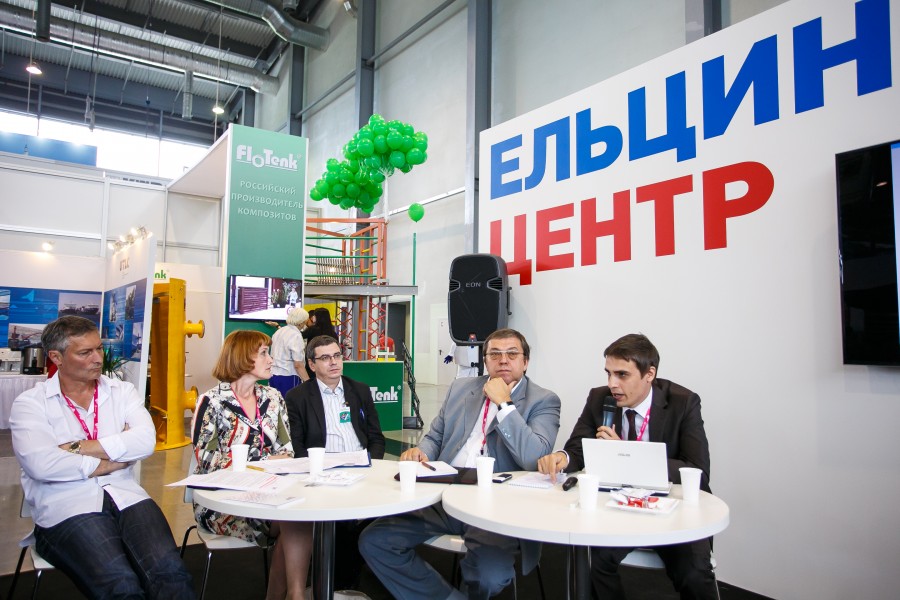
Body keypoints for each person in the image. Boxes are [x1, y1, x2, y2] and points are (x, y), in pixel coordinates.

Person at [360, 328, 561, 600]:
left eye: (512, 354)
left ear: (525, 362)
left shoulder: (544, 400)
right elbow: (435, 436)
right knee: (374, 541)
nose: (503, 360)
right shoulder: (461, 388)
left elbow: (533, 456)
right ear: (485, 360)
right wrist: (422, 452)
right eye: (495, 354)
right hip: (444, 493)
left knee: (489, 575)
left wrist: (504, 404)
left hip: (496, 505)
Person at [10, 316, 194, 599]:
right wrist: (113, 460)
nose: (98, 358)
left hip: (127, 496)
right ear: (56, 357)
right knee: (120, 585)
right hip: (66, 506)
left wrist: (77, 447)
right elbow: (42, 464)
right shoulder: (31, 404)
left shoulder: (122, 392)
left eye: (98, 348)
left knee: (171, 573)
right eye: (85, 352)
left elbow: (145, 441)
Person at [537, 333, 717, 600]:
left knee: (694, 573)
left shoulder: (683, 402)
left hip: (673, 509)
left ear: (649, 374)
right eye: (608, 373)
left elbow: (697, 470)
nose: (612, 384)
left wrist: (626, 453)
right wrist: (563, 457)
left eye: (622, 375)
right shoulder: (599, 397)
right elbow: (577, 449)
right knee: (593, 562)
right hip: (616, 507)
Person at [192, 330, 312, 600]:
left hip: (270, 492)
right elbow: (209, 462)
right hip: (223, 500)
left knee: (295, 515)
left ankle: (294, 595)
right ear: (242, 357)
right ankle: (292, 595)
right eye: (264, 354)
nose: (271, 360)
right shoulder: (212, 402)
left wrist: (248, 463)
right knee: (293, 519)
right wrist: (265, 461)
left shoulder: (273, 398)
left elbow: (287, 452)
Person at [284, 334, 385, 590]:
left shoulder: (359, 390)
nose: (334, 362)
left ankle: (347, 580)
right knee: (342, 525)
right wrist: (316, 474)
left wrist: (372, 466)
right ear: (311, 364)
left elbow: (376, 437)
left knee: (383, 516)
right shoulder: (298, 397)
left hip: (362, 471)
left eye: (337, 355)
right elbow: (297, 447)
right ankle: (338, 585)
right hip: (323, 475)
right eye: (325, 358)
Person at [269, 306, 310, 399]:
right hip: (289, 377)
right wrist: (308, 382)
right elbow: (298, 364)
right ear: (301, 322)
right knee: (291, 405)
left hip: (273, 375)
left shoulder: (278, 332)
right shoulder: (296, 335)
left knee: (276, 404)